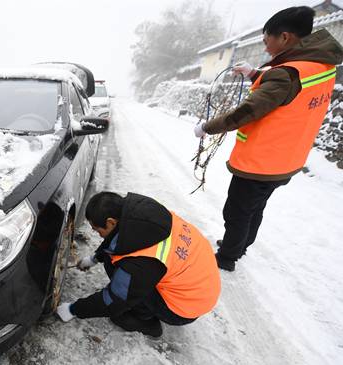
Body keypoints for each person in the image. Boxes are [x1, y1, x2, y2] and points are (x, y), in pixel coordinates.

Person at [194, 6, 343, 271]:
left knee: (237, 212)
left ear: (284, 37)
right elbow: (288, 91)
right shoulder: (320, 66)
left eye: (267, 41)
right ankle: (239, 246)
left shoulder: (286, 74)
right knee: (255, 208)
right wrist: (254, 74)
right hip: (286, 159)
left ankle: (227, 257)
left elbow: (247, 111)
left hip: (261, 162)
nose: (265, 48)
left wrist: (207, 127)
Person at [56, 192, 221, 338]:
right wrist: (94, 259)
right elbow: (117, 241)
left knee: (118, 312)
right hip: (199, 279)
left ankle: (147, 321)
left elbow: (113, 300)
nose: (97, 234)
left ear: (111, 222)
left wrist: (74, 309)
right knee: (112, 260)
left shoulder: (141, 264)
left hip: (186, 306)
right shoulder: (141, 213)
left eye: (97, 230)